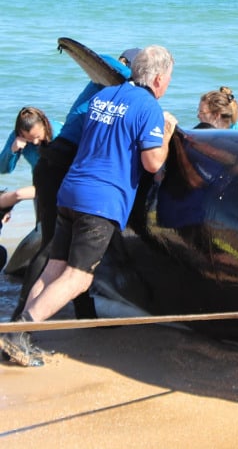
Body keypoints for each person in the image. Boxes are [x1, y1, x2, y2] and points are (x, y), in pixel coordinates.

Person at [0, 45, 177, 367]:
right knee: (79, 277)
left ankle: (18, 330)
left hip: (70, 191)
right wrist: (166, 136)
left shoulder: (102, 97)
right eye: (168, 80)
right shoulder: (148, 106)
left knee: (55, 269)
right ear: (158, 79)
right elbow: (152, 163)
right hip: (101, 201)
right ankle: (16, 334)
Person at [12, 47, 141, 322]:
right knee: (50, 249)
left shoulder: (118, 96)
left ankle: (84, 314)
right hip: (56, 163)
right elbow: (103, 61)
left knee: (67, 251)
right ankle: (17, 319)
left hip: (64, 165)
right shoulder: (103, 80)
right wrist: (128, 71)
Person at [0, 107, 62, 175]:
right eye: (29, 138)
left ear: (45, 126)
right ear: (21, 134)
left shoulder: (59, 134)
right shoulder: (17, 136)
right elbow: (2, 169)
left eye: (38, 136)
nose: (35, 142)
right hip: (41, 179)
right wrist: (12, 150)